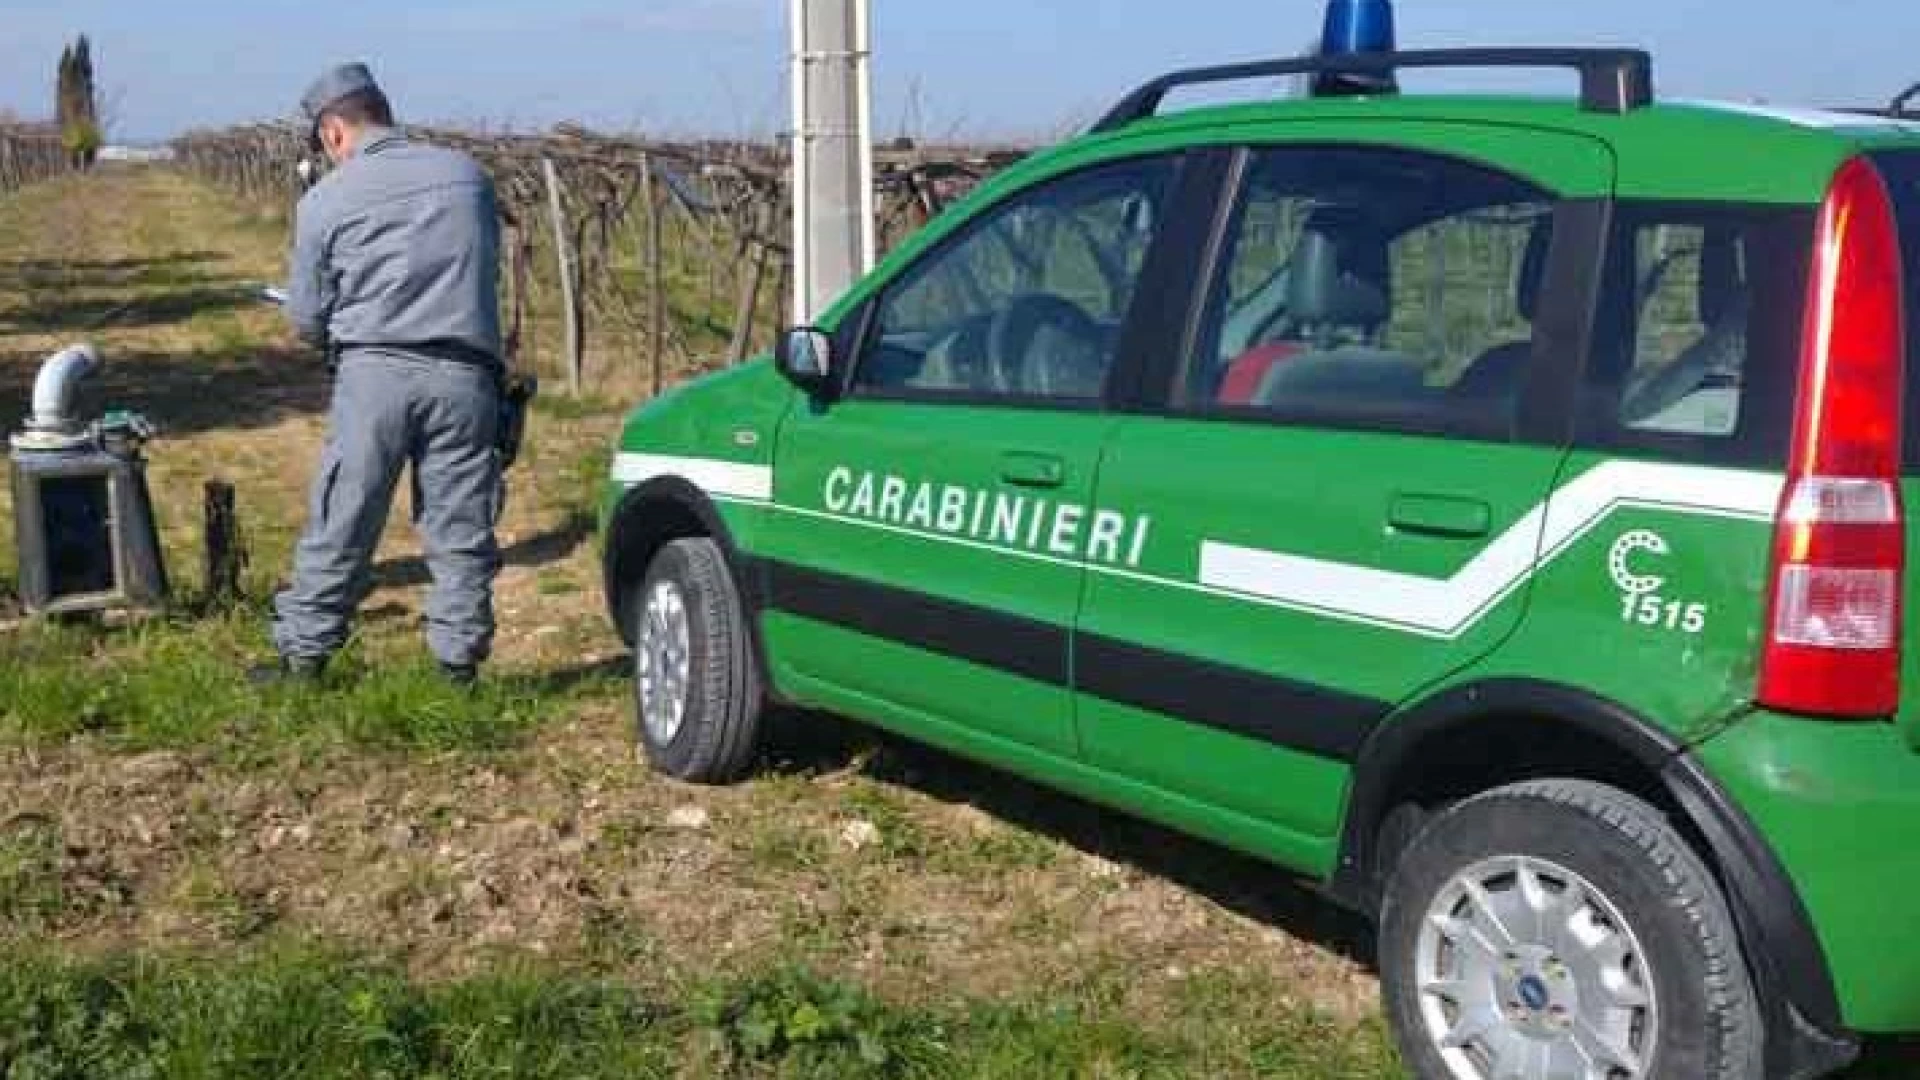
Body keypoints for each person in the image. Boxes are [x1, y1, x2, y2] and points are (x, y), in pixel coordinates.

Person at [255, 63, 504, 687]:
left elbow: (308, 320)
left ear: (334, 132)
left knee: (344, 515)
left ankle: (305, 658)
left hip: (376, 375)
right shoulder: (468, 179)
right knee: (461, 525)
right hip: (467, 375)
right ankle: (456, 669)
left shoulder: (324, 202)